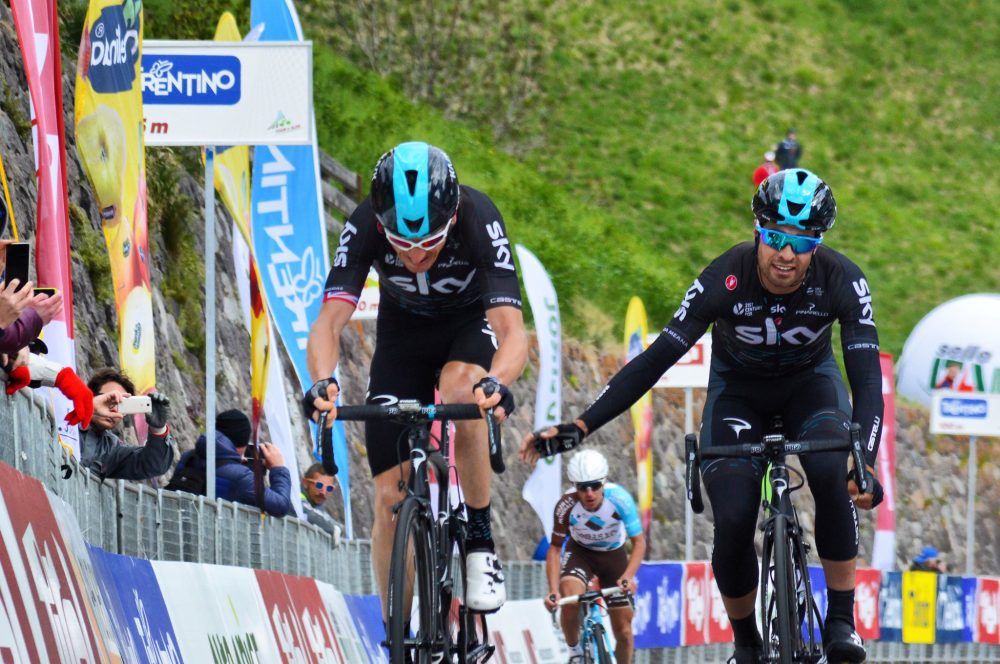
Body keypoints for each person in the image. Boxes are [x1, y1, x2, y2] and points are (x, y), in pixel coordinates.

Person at [523, 169, 885, 664]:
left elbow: (866, 381)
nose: (786, 254)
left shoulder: (843, 279)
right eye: (776, 237)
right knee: (734, 517)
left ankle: (842, 620)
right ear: (758, 229)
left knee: (831, 472)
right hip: (738, 395)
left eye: (801, 243)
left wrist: (862, 460)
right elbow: (655, 360)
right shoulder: (724, 278)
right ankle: (746, 643)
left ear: (817, 244)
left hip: (812, 388)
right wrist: (581, 425)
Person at [304, 141, 529, 615]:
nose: (415, 257)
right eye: (402, 246)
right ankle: (398, 639)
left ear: (450, 217)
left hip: (469, 328)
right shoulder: (365, 222)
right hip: (402, 338)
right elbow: (328, 322)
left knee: (460, 388)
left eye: (428, 243)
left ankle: (479, 541)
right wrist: (322, 382)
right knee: (389, 497)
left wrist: (498, 383)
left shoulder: (477, 217)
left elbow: (512, 332)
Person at [544, 450, 644, 664]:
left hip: (613, 556)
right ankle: (575, 654)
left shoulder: (620, 499)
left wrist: (628, 576)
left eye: (595, 486)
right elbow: (554, 549)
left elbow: (639, 543)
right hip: (580, 553)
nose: (589, 493)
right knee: (569, 602)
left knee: (624, 632)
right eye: (582, 487)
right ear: (574, 486)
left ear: (604, 482)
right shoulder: (565, 505)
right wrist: (553, 590)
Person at [170, 409, 292, 518]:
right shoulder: (242, 477)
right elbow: (280, 505)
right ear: (242, 444)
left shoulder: (189, 457)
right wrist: (278, 469)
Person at [82, 368, 174, 480]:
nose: (115, 409)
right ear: (91, 396)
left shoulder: (112, 448)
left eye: (121, 405)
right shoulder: (61, 417)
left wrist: (158, 429)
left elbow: (151, 465)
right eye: (110, 400)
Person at [300, 463, 343, 544]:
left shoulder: (316, 503)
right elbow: (309, 513)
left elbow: (325, 518)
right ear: (305, 483)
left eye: (329, 488)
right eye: (319, 485)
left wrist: (338, 528)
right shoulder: (296, 496)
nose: (323, 492)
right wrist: (332, 528)